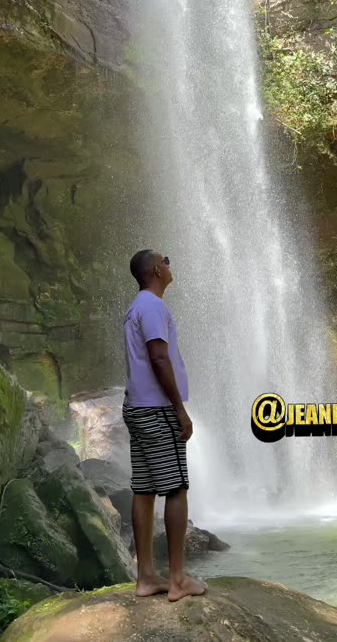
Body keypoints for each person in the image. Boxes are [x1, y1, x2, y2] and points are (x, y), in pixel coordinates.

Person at [122, 249, 207, 602]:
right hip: (157, 410)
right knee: (176, 488)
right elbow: (158, 357)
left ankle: (145, 577)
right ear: (157, 270)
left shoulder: (135, 307)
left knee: (144, 489)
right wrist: (179, 410)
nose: (171, 265)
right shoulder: (154, 307)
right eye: (167, 261)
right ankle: (177, 580)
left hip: (137, 407)